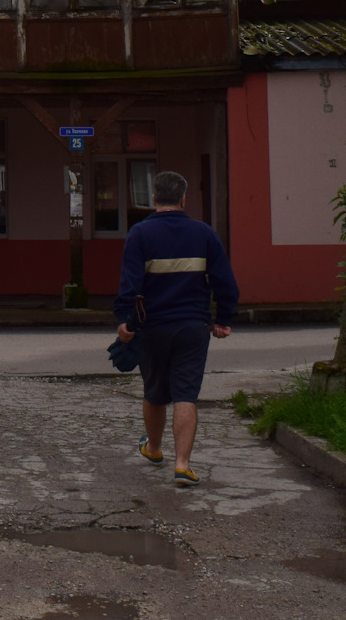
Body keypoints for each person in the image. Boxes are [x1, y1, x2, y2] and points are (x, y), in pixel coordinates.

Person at [114, 170, 238, 487]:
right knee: (186, 393)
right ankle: (182, 465)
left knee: (155, 392)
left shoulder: (139, 234)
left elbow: (130, 283)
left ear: (154, 198)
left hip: (152, 326)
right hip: (193, 326)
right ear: (184, 198)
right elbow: (224, 281)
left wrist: (124, 321)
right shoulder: (204, 234)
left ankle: (154, 449)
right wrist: (223, 318)